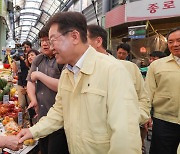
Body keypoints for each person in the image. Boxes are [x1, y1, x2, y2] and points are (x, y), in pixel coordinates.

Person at [18, 11, 141, 154]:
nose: (50, 47)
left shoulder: (112, 70)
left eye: (53, 41)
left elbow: (125, 136)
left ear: (74, 37)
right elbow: (59, 112)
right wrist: (33, 131)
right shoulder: (67, 73)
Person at [87, 24, 150, 154]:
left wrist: (135, 117)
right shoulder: (76, 70)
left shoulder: (130, 68)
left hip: (124, 136)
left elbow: (143, 96)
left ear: (98, 41)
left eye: (83, 39)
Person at [26, 26, 69, 154]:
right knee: (43, 148)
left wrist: (40, 76)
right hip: (42, 115)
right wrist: (33, 99)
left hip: (59, 119)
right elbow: (30, 81)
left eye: (48, 40)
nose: (44, 43)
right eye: (42, 40)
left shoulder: (62, 60)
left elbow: (64, 85)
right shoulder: (39, 59)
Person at [145, 27, 180, 154]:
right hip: (164, 121)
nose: (175, 44)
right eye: (171, 42)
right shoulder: (157, 65)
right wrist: (146, 115)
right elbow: (148, 92)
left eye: (178, 40)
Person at [12, 41, 31, 108]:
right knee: (21, 104)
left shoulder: (31, 58)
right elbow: (15, 70)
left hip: (30, 84)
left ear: (30, 48)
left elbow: (30, 67)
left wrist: (24, 58)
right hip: (21, 83)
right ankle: (21, 118)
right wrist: (15, 59)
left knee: (30, 104)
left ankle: (31, 118)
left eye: (27, 47)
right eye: (24, 47)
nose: (25, 49)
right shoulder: (18, 59)